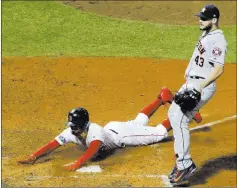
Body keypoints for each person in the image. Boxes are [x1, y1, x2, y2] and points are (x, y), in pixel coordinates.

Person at [18, 87, 202, 171]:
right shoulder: (73, 132)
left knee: (159, 133)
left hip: (124, 136)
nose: (71, 129)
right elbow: (53, 144)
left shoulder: (95, 132)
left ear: (83, 125)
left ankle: (183, 108)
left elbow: (92, 150)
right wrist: (34, 156)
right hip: (114, 128)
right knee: (137, 122)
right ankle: (162, 98)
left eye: (74, 126)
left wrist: (76, 164)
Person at [167, 4, 227, 186]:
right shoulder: (207, 34)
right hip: (191, 83)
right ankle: (182, 162)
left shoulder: (218, 39)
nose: (199, 21)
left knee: (180, 119)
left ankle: (184, 164)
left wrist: (200, 86)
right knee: (173, 114)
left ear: (214, 20)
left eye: (203, 18)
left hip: (201, 85)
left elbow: (218, 69)